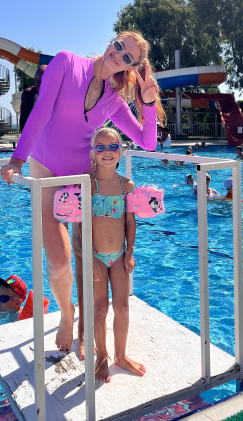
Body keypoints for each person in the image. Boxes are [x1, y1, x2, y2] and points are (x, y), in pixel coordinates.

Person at [0, 31, 165, 355]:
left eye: (127, 57)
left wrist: (147, 103)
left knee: (91, 258)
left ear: (130, 67)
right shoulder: (66, 63)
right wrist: (17, 159)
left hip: (81, 180)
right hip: (46, 170)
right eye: (119, 46)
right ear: (112, 41)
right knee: (59, 262)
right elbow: (41, 111)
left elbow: (147, 142)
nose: (118, 54)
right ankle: (67, 312)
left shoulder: (113, 100)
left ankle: (88, 329)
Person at [90, 127, 145, 382]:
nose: (107, 152)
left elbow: (130, 222)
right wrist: (91, 258)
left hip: (120, 255)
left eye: (112, 147)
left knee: (122, 306)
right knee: (100, 307)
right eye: (100, 147)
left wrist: (129, 253)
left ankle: (120, 355)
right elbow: (83, 224)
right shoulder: (88, 183)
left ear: (121, 152)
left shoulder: (127, 185)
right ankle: (101, 356)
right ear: (93, 153)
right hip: (97, 256)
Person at [19, 65, 47, 131]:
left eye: (45, 80)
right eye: (40, 81)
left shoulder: (55, 93)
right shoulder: (28, 93)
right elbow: (24, 119)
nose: (41, 84)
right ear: (34, 80)